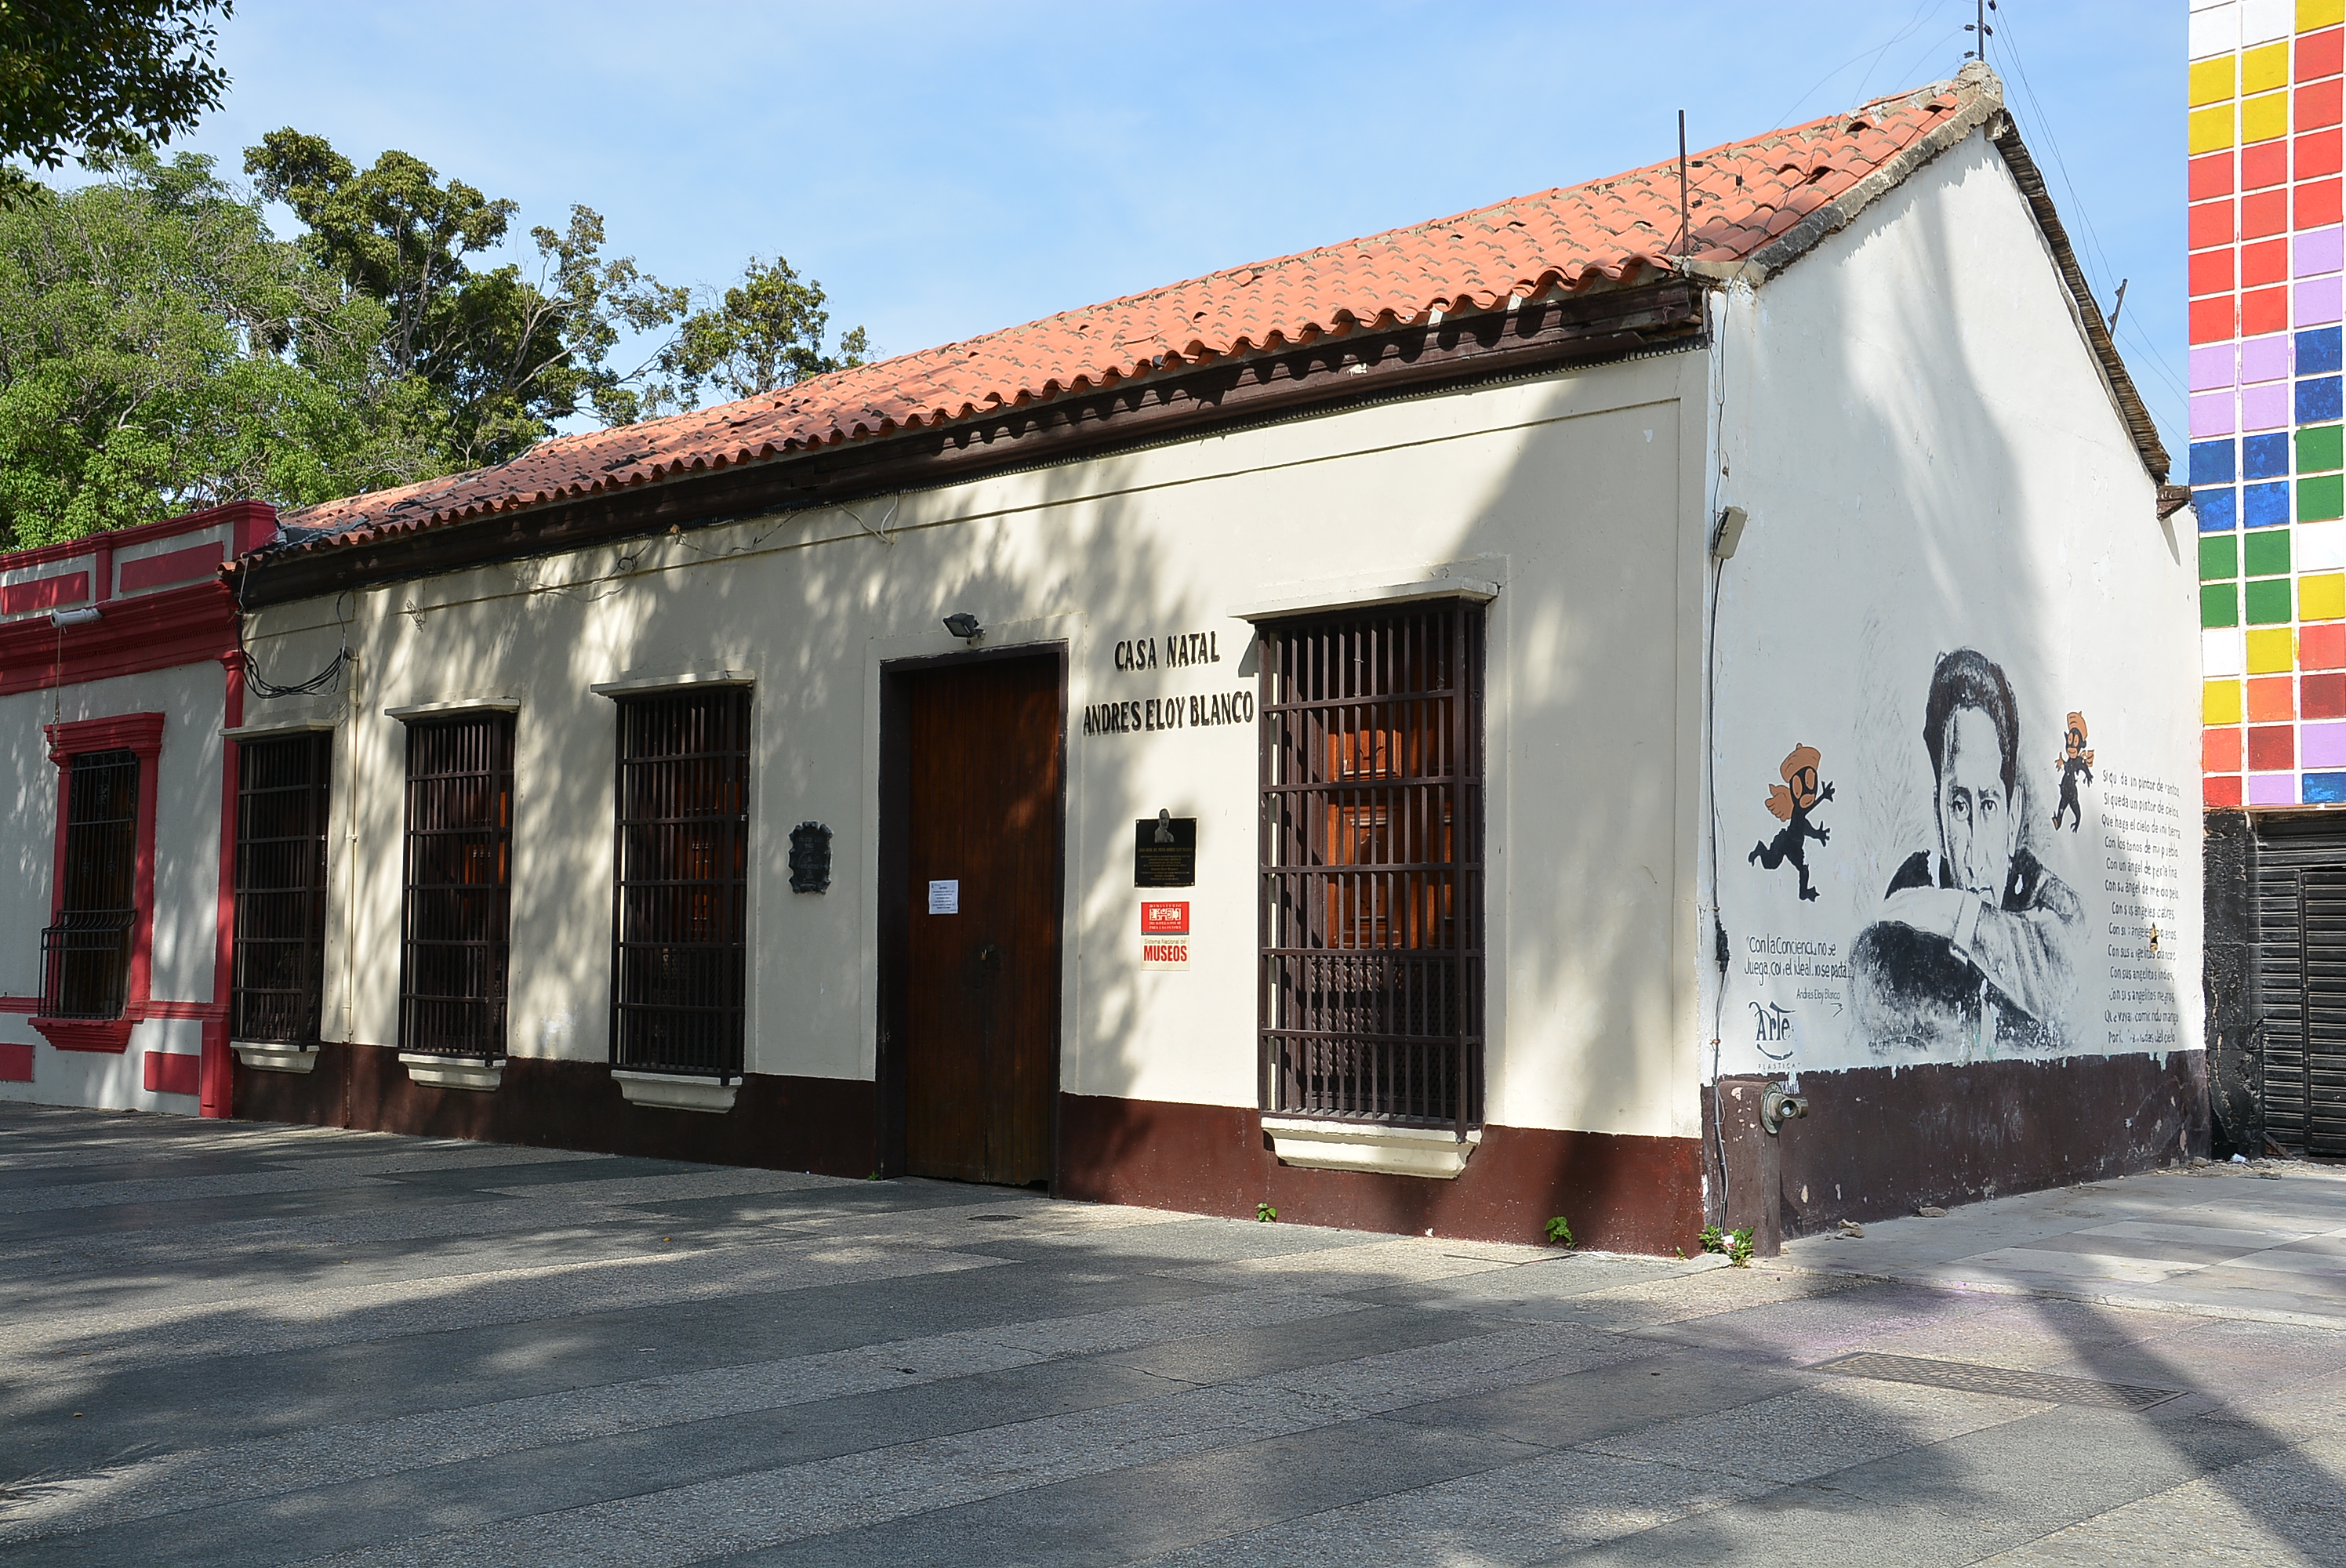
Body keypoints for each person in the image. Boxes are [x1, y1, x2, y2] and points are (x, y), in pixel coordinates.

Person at [1850, 648, 2082, 1054]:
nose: (1974, 856)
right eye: (1960, 807)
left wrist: (1958, 916)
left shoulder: (2041, 896)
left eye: (1989, 806)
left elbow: (2071, 973)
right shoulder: (1914, 888)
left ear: (2014, 817)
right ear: (1940, 815)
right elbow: (1872, 992)